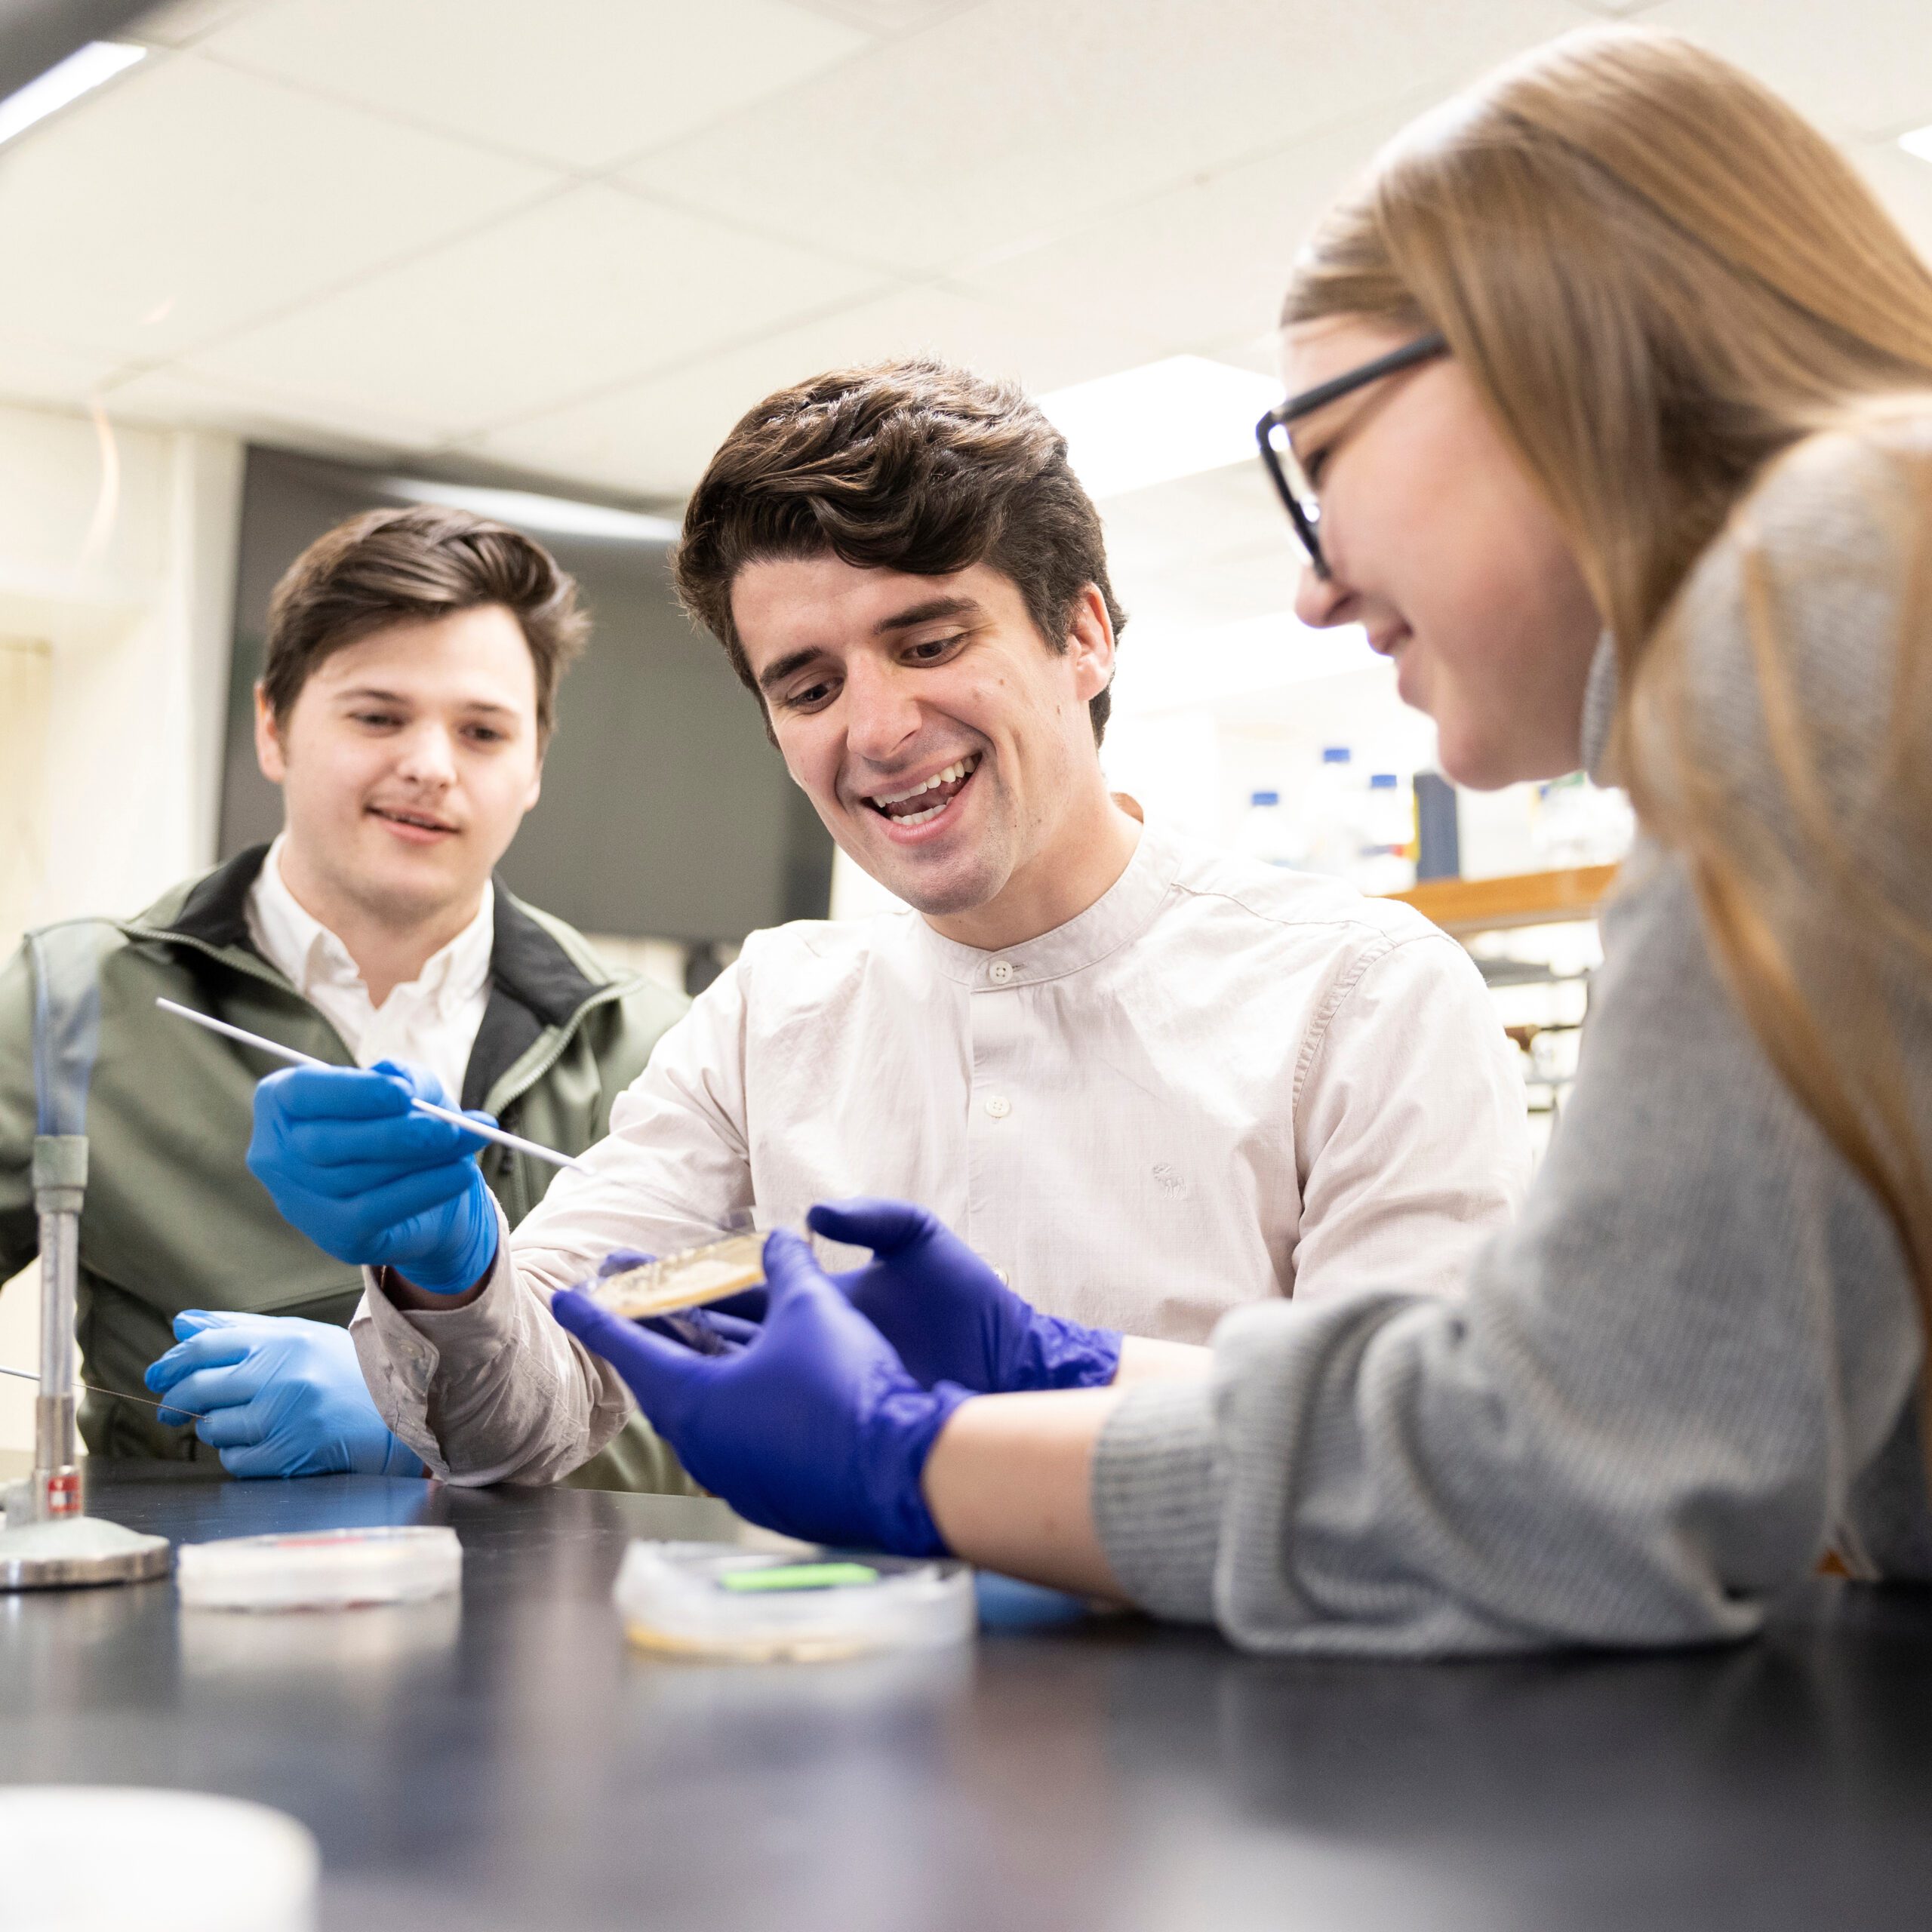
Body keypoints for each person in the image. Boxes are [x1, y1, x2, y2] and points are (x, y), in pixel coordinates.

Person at [547, 23, 1932, 1652]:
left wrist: (917, 1457)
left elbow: (1572, 1469)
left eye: (1323, 458)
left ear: (1563, 360)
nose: (1317, 578)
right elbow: (1652, 1397)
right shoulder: (1848, 611)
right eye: (804, 680)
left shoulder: (1833, 587)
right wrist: (1070, 1372)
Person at [251, 358, 1532, 1486]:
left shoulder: (1362, 996)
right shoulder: (771, 1018)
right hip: (826, 1707)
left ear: (1080, 631)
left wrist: (1042, 1389)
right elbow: (524, 1423)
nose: (874, 730)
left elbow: (1419, 1468)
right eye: (807, 685)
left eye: (927, 643)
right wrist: (452, 1277)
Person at [0, 506, 688, 1489]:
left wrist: (419, 1417)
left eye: (483, 731)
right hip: (172, 1626)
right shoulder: (72, 999)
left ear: (534, 766)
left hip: (529, 1634)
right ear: (273, 727)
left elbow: (713, 1426)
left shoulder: (646, 1049)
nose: (430, 766)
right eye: (378, 715)